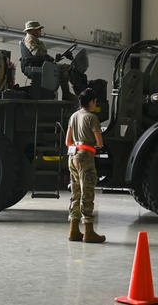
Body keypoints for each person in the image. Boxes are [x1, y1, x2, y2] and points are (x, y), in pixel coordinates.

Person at [65, 87, 105, 243]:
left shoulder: (74, 116)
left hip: (73, 156)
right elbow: (99, 142)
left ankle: (73, 230)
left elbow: (68, 141)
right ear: (91, 102)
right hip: (85, 157)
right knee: (87, 192)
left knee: (76, 193)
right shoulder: (91, 117)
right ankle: (88, 232)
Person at [22, 20, 72, 100]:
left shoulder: (35, 40)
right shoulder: (30, 39)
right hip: (40, 65)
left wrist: (51, 58)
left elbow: (41, 55)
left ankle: (66, 93)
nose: (40, 31)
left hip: (43, 63)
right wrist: (48, 57)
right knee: (66, 68)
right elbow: (37, 53)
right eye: (39, 29)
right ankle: (66, 94)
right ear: (33, 30)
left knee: (66, 67)